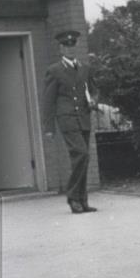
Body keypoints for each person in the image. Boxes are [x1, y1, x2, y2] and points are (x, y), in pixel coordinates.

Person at [42, 29, 99, 214]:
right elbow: (48, 101)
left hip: (83, 117)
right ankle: (73, 197)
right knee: (81, 154)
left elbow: (93, 89)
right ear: (60, 49)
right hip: (66, 119)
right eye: (66, 46)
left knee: (83, 158)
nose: (70, 49)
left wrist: (93, 100)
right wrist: (49, 127)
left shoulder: (84, 68)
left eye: (72, 46)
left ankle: (82, 201)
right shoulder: (54, 71)